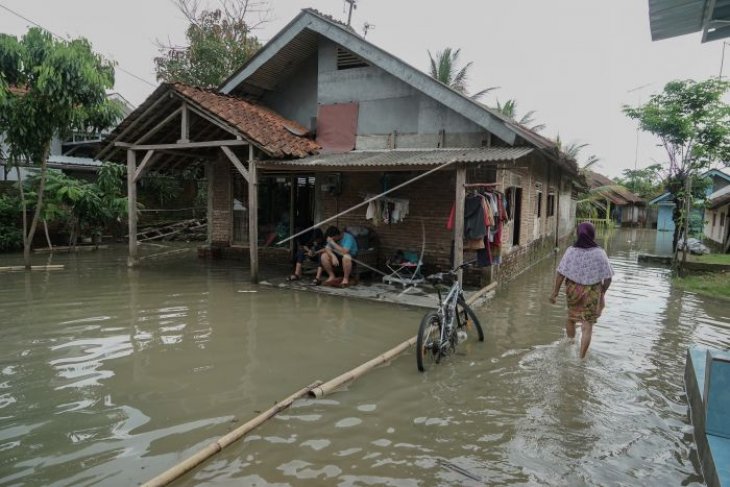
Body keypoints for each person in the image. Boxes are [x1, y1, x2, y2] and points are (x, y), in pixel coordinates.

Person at [549, 222, 614, 359]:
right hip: (592, 291)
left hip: (573, 290)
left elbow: (561, 273)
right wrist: (602, 291)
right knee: (587, 325)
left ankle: (570, 342)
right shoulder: (600, 253)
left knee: (571, 318)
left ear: (578, 234)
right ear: (593, 234)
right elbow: (608, 278)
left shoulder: (571, 251)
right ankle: (581, 359)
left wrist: (554, 293)